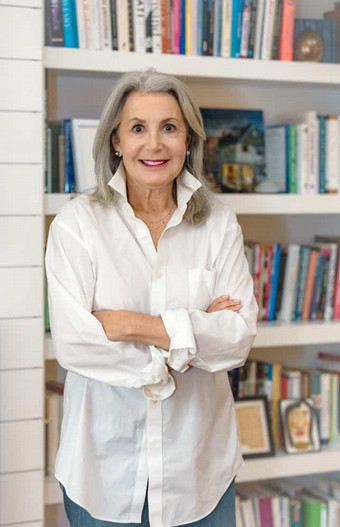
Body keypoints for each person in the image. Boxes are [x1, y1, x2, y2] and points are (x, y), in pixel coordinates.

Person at [45, 68, 258, 527]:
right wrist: (193, 336)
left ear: (188, 140)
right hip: (103, 471)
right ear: (117, 141)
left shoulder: (218, 223)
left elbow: (238, 339)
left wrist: (130, 325)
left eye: (169, 128)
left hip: (200, 472)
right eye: (137, 128)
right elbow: (75, 342)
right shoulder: (77, 224)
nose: (154, 144)